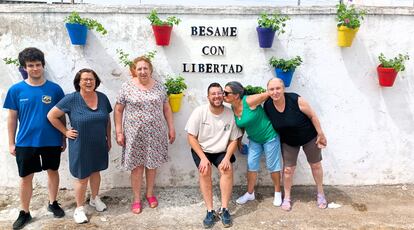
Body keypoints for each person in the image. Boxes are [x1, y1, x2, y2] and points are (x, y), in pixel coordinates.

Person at [3, 47, 65, 230]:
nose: (35, 69)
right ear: (24, 67)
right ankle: (24, 212)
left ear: (43, 65)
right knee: (25, 177)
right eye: (31, 65)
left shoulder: (55, 89)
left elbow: (61, 116)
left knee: (53, 171)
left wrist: (63, 137)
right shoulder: (16, 90)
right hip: (26, 142)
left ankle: (53, 203)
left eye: (38, 65)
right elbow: (12, 118)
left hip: (51, 140)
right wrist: (11, 142)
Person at [47, 68, 112, 223]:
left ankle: (95, 198)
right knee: (82, 177)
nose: (89, 82)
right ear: (79, 82)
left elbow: (107, 120)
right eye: (85, 79)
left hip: (98, 143)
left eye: (91, 79)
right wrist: (65, 132)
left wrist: (108, 138)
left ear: (96, 81)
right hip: (81, 144)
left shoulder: (102, 98)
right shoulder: (71, 99)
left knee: (96, 172)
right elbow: (52, 115)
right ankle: (79, 208)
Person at [114, 56, 175, 214]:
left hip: (155, 134)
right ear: (134, 71)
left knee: (152, 165)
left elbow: (166, 108)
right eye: (139, 68)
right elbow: (118, 110)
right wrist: (119, 132)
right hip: (134, 135)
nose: (142, 71)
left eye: (145, 68)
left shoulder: (159, 87)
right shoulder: (127, 87)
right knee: (136, 167)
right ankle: (136, 199)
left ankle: (149, 194)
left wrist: (171, 128)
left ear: (150, 70)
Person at [264, 78, 328, 211]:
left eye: (278, 88)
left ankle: (321, 193)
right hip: (289, 141)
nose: (275, 92)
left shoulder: (295, 99)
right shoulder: (268, 105)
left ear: (283, 89)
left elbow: (313, 116)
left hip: (309, 137)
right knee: (288, 170)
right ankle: (287, 197)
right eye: (271, 89)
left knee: (315, 165)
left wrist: (320, 133)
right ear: (268, 91)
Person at [185, 83, 242, 228]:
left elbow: (234, 139)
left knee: (227, 169)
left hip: (221, 150)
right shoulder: (200, 111)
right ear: (208, 97)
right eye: (213, 94)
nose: (216, 96)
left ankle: (224, 209)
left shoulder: (230, 113)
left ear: (223, 95)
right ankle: (210, 210)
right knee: (205, 171)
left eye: (219, 93)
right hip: (202, 150)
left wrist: (227, 157)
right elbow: (191, 137)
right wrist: (203, 158)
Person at [223, 81, 283, 207]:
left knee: (273, 165)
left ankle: (278, 192)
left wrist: (279, 95)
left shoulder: (249, 101)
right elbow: (243, 124)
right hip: (254, 139)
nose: (224, 95)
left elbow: (269, 93)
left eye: (226, 93)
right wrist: (239, 141)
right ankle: (250, 193)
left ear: (236, 95)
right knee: (251, 165)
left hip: (269, 137)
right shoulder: (233, 106)